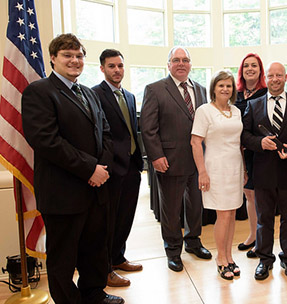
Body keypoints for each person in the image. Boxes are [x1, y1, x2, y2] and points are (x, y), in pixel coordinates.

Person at [21, 34, 123, 304]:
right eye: (67, 55)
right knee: (64, 257)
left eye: (79, 56)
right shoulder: (39, 91)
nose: (74, 61)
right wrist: (90, 169)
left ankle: (93, 294)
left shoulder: (88, 92)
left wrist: (102, 169)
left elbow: (106, 134)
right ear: (53, 58)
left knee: (94, 250)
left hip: (96, 190)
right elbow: (46, 141)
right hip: (63, 192)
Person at [140, 46, 211, 272]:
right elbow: (148, 128)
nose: (181, 63)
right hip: (169, 160)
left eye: (185, 60)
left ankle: (193, 242)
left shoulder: (200, 90)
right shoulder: (155, 89)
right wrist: (156, 156)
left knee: (195, 206)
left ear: (191, 64)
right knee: (170, 210)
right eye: (176, 60)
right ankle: (173, 250)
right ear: (168, 64)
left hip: (198, 160)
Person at [242, 62, 287, 280]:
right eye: (271, 75)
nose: (274, 79)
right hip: (263, 174)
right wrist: (259, 143)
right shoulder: (253, 105)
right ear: (267, 77)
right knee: (264, 220)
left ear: (285, 77)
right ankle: (265, 260)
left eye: (278, 75)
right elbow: (244, 135)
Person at [92, 49, 143, 287]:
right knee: (108, 221)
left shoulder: (130, 96)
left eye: (120, 66)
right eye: (112, 66)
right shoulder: (94, 95)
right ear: (102, 68)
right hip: (111, 170)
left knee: (125, 217)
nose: (117, 70)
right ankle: (105, 269)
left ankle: (118, 257)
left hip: (133, 167)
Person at [191, 70, 246, 280]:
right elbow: (195, 142)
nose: (225, 89)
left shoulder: (236, 111)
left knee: (232, 214)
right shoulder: (204, 111)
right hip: (215, 168)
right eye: (221, 85)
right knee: (222, 215)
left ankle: (230, 256)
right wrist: (202, 172)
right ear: (213, 88)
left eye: (229, 86)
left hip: (235, 167)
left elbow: (239, 144)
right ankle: (220, 258)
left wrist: (245, 171)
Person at [234, 53, 268, 258]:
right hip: (238, 152)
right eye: (246, 65)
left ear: (260, 69)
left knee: (259, 196)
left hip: (258, 151)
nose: (250, 69)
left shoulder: (265, 93)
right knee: (248, 194)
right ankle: (253, 234)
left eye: (254, 65)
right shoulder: (236, 94)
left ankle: (261, 239)